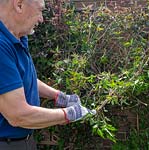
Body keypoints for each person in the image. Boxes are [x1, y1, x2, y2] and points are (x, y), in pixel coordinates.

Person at [0, 0, 96, 149]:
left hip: (22, 141)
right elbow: (18, 115)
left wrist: (58, 96)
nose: (41, 19)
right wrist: (67, 114)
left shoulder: (17, 38)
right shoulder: (1, 46)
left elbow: (21, 79)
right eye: (39, 10)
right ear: (19, 5)